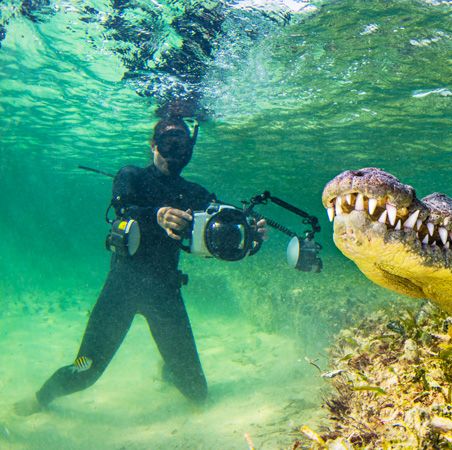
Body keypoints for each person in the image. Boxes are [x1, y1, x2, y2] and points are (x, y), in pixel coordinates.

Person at [14, 116, 265, 416]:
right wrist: (157, 215)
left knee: (198, 394)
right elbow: (123, 208)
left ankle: (170, 372)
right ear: (153, 145)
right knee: (86, 371)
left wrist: (249, 236)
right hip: (121, 290)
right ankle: (42, 398)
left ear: (190, 149)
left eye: (181, 144)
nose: (174, 150)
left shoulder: (197, 194)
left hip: (166, 294)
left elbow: (222, 231)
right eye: (167, 142)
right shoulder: (130, 176)